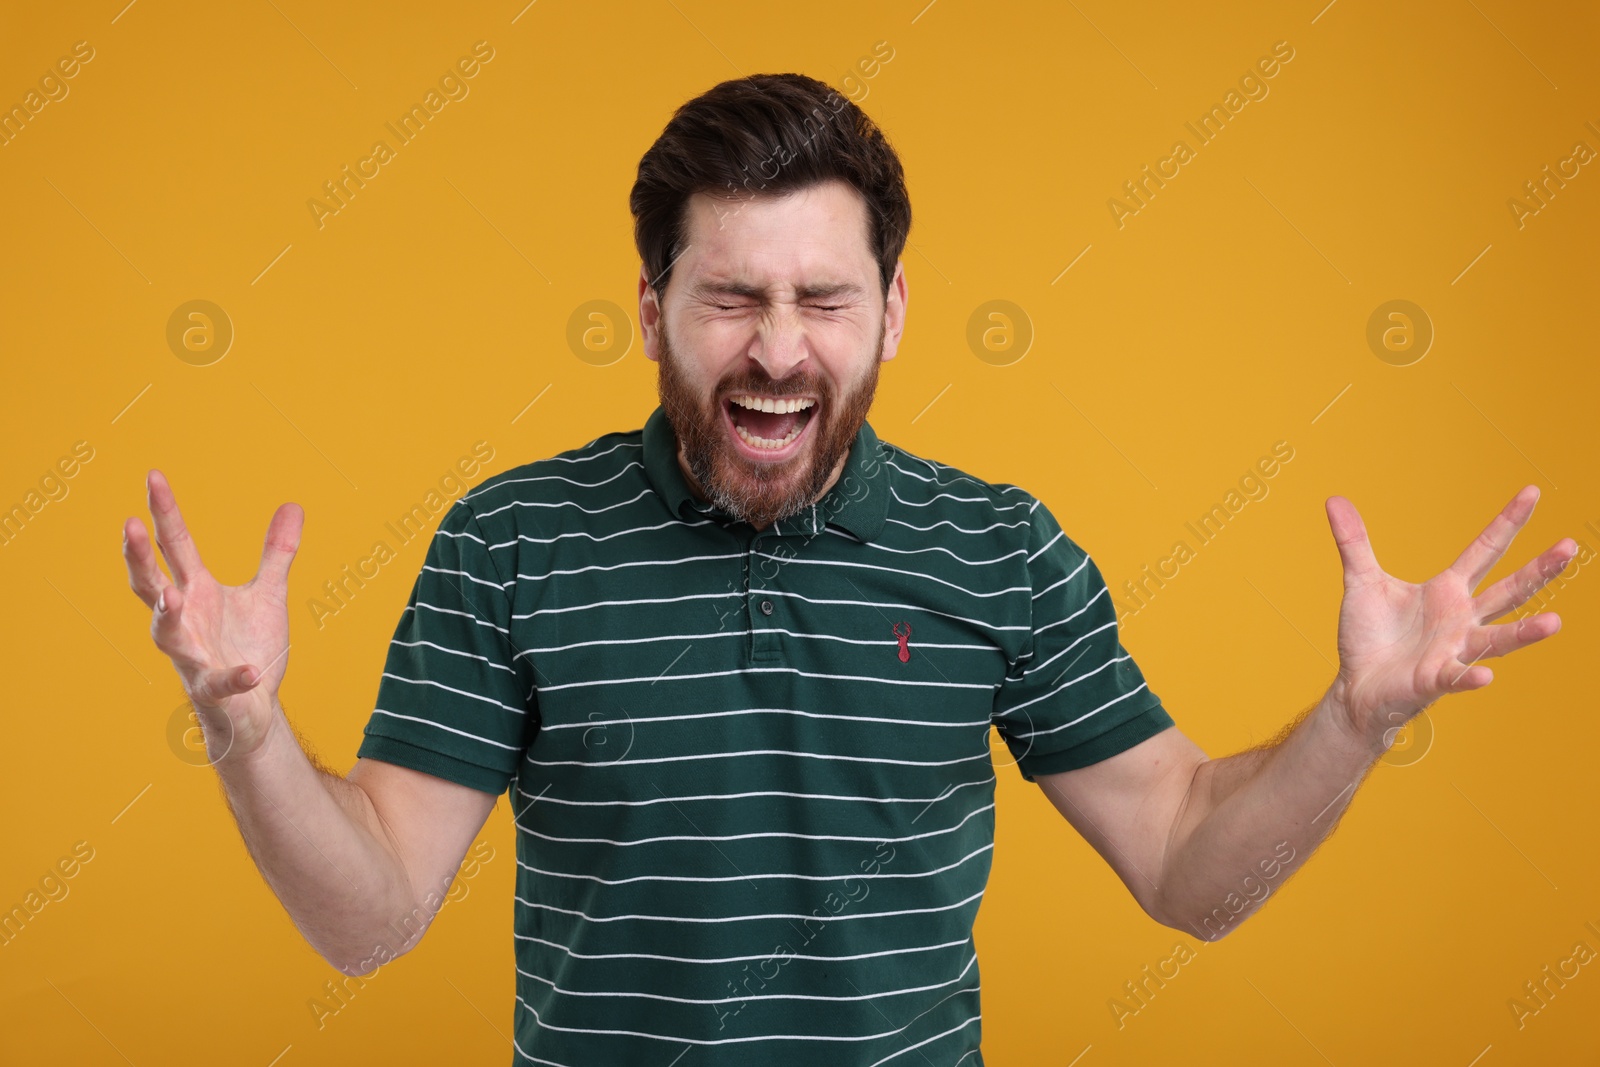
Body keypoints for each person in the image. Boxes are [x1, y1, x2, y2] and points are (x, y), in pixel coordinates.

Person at [122, 73, 1576, 1065]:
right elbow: (370, 918)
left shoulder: (1001, 549)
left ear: (893, 311)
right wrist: (246, 734)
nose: (776, 346)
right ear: (650, 310)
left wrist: (1356, 723)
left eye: (823, 297)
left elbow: (1191, 869)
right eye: (730, 298)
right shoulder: (513, 539)